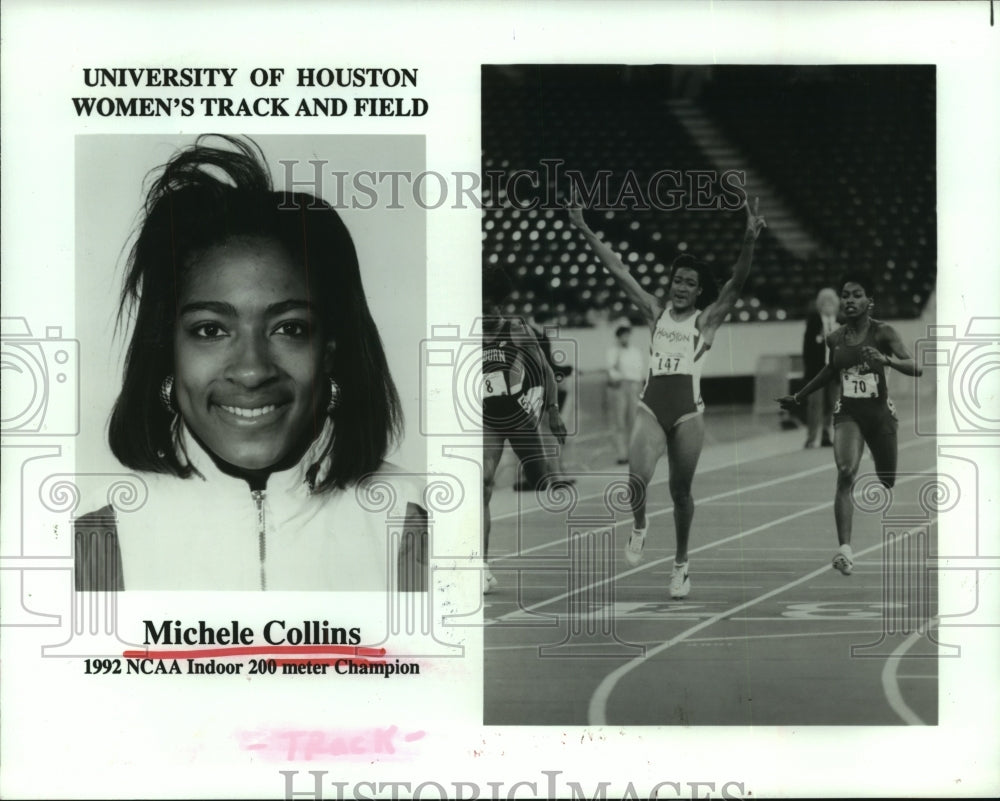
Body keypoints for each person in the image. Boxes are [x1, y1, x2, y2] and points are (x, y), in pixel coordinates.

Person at [73, 135, 427, 592]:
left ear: (331, 350)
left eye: (289, 328)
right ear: (168, 350)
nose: (253, 370)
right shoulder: (98, 528)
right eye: (210, 330)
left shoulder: (409, 516)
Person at [568, 193, 766, 599]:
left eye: (690, 284)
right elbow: (618, 269)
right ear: (671, 282)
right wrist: (584, 227)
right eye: (678, 280)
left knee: (680, 493)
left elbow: (737, 282)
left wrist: (748, 239)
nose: (681, 288)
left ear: (698, 292)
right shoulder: (655, 312)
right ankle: (639, 526)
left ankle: (680, 565)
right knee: (635, 481)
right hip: (652, 406)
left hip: (688, 414)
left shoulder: (706, 320)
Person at [778, 272, 922, 575]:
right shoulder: (835, 338)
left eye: (857, 295)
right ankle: (845, 549)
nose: (849, 300)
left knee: (887, 479)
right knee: (845, 472)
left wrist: (888, 361)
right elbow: (831, 370)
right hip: (848, 413)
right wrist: (800, 395)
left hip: (880, 413)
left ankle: (882, 463)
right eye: (846, 295)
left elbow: (915, 367)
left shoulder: (884, 333)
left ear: (869, 301)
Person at [481, 267, 568, 594]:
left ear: (499, 307)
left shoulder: (516, 330)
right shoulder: (469, 334)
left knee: (540, 479)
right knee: (482, 484)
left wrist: (553, 411)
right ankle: (482, 565)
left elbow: (545, 370)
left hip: (519, 416)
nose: (484, 314)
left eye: (489, 308)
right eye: (479, 308)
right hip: (489, 418)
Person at [802, 287, 840, 448]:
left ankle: (826, 434)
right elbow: (807, 348)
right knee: (815, 405)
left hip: (834, 370)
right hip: (817, 371)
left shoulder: (841, 322)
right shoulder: (814, 321)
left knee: (832, 404)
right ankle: (811, 438)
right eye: (825, 303)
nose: (828, 306)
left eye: (831, 303)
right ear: (820, 305)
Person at [606, 324, 646, 464]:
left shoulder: (635, 351)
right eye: (622, 335)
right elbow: (611, 370)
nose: (625, 338)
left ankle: (633, 452)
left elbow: (639, 370)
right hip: (620, 386)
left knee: (634, 421)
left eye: (627, 335)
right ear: (618, 337)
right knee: (619, 422)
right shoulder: (613, 351)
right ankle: (621, 454)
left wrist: (640, 387)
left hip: (634, 386)